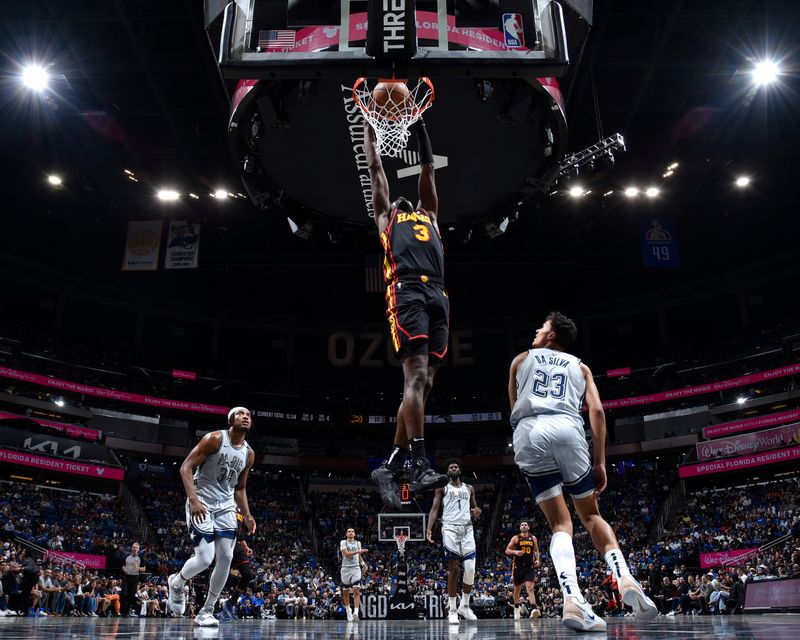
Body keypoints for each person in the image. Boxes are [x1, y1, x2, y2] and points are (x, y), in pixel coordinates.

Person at [508, 312, 658, 632]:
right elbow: (599, 412)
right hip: (568, 431)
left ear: (551, 335)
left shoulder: (520, 360)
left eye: (542, 326)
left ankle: (573, 599)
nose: (536, 329)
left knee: (560, 523)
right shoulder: (581, 367)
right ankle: (624, 576)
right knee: (590, 516)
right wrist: (601, 461)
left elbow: (513, 409)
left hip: (528, 432)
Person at [364, 117, 449, 509]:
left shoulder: (429, 216)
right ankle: (417, 461)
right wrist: (370, 125)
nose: (400, 196)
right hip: (407, 290)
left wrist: (421, 130)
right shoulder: (387, 219)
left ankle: (392, 463)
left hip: (438, 293)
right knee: (414, 377)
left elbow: (429, 170)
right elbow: (376, 168)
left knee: (427, 382)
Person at [167, 406, 256, 626]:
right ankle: (177, 583)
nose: (245, 417)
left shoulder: (249, 454)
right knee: (205, 558)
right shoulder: (214, 439)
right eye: (240, 414)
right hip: (202, 501)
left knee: (226, 557)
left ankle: (207, 610)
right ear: (230, 419)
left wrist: (247, 514)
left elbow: (240, 488)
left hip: (226, 506)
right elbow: (186, 467)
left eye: (248, 415)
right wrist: (194, 500)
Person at [426, 459, 482, 624]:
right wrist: (429, 529)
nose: (454, 468)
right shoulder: (442, 487)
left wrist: (477, 512)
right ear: (447, 472)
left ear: (460, 469)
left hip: (467, 528)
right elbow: (435, 509)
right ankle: (452, 609)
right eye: (450, 467)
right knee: (454, 569)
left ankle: (464, 606)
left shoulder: (469, 488)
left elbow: (474, 509)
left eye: (456, 466)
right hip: (450, 528)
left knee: (470, 569)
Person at [505, 520, 542, 619]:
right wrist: (516, 552)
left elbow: (536, 550)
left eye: (526, 525)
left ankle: (534, 609)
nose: (524, 526)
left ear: (528, 527)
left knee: (530, 588)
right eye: (522, 525)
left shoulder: (533, 538)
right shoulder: (516, 538)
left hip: (529, 566)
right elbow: (507, 550)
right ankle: (516, 608)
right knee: (517, 590)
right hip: (518, 567)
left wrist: (537, 559)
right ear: (520, 528)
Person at [340, 527, 368, 621]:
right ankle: (348, 610)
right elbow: (347, 554)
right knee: (345, 592)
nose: (351, 533)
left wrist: (363, 564)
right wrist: (358, 551)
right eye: (349, 531)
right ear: (346, 534)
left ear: (354, 534)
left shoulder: (358, 543)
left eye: (352, 531)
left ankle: (356, 612)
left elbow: (359, 555)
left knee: (356, 590)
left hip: (356, 568)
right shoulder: (343, 542)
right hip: (345, 569)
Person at [121, 542, 144, 616]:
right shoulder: (127, 556)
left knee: (131, 595)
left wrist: (138, 568)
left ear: (138, 549)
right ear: (131, 548)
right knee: (124, 593)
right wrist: (124, 569)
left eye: (136, 547)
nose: (135, 548)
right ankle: (122, 609)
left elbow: (144, 569)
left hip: (135, 577)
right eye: (134, 547)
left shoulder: (141, 557)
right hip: (126, 576)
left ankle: (126, 612)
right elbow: (123, 565)